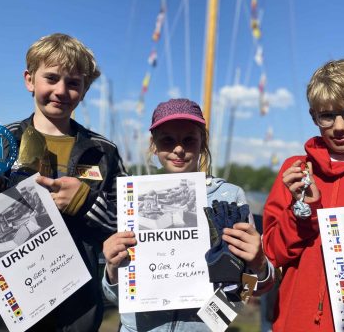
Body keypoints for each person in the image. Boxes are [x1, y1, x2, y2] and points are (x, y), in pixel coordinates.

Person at [0, 33, 127, 332]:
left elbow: (127, 223)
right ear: (29, 80)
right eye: (51, 78)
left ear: (84, 90)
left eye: (73, 83)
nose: (61, 90)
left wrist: (85, 202)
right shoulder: (0, 141)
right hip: (4, 309)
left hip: (78, 308)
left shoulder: (103, 151)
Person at [102, 98, 274, 331]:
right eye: (168, 140)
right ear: (154, 145)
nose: (179, 149)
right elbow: (114, 296)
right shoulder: (134, 198)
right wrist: (112, 270)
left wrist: (259, 265)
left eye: (189, 140)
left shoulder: (229, 197)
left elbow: (248, 288)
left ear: (203, 142)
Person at [263, 59, 344, 331]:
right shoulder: (297, 171)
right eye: (327, 116)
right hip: (300, 322)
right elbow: (272, 253)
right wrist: (303, 211)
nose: (339, 126)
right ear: (314, 116)